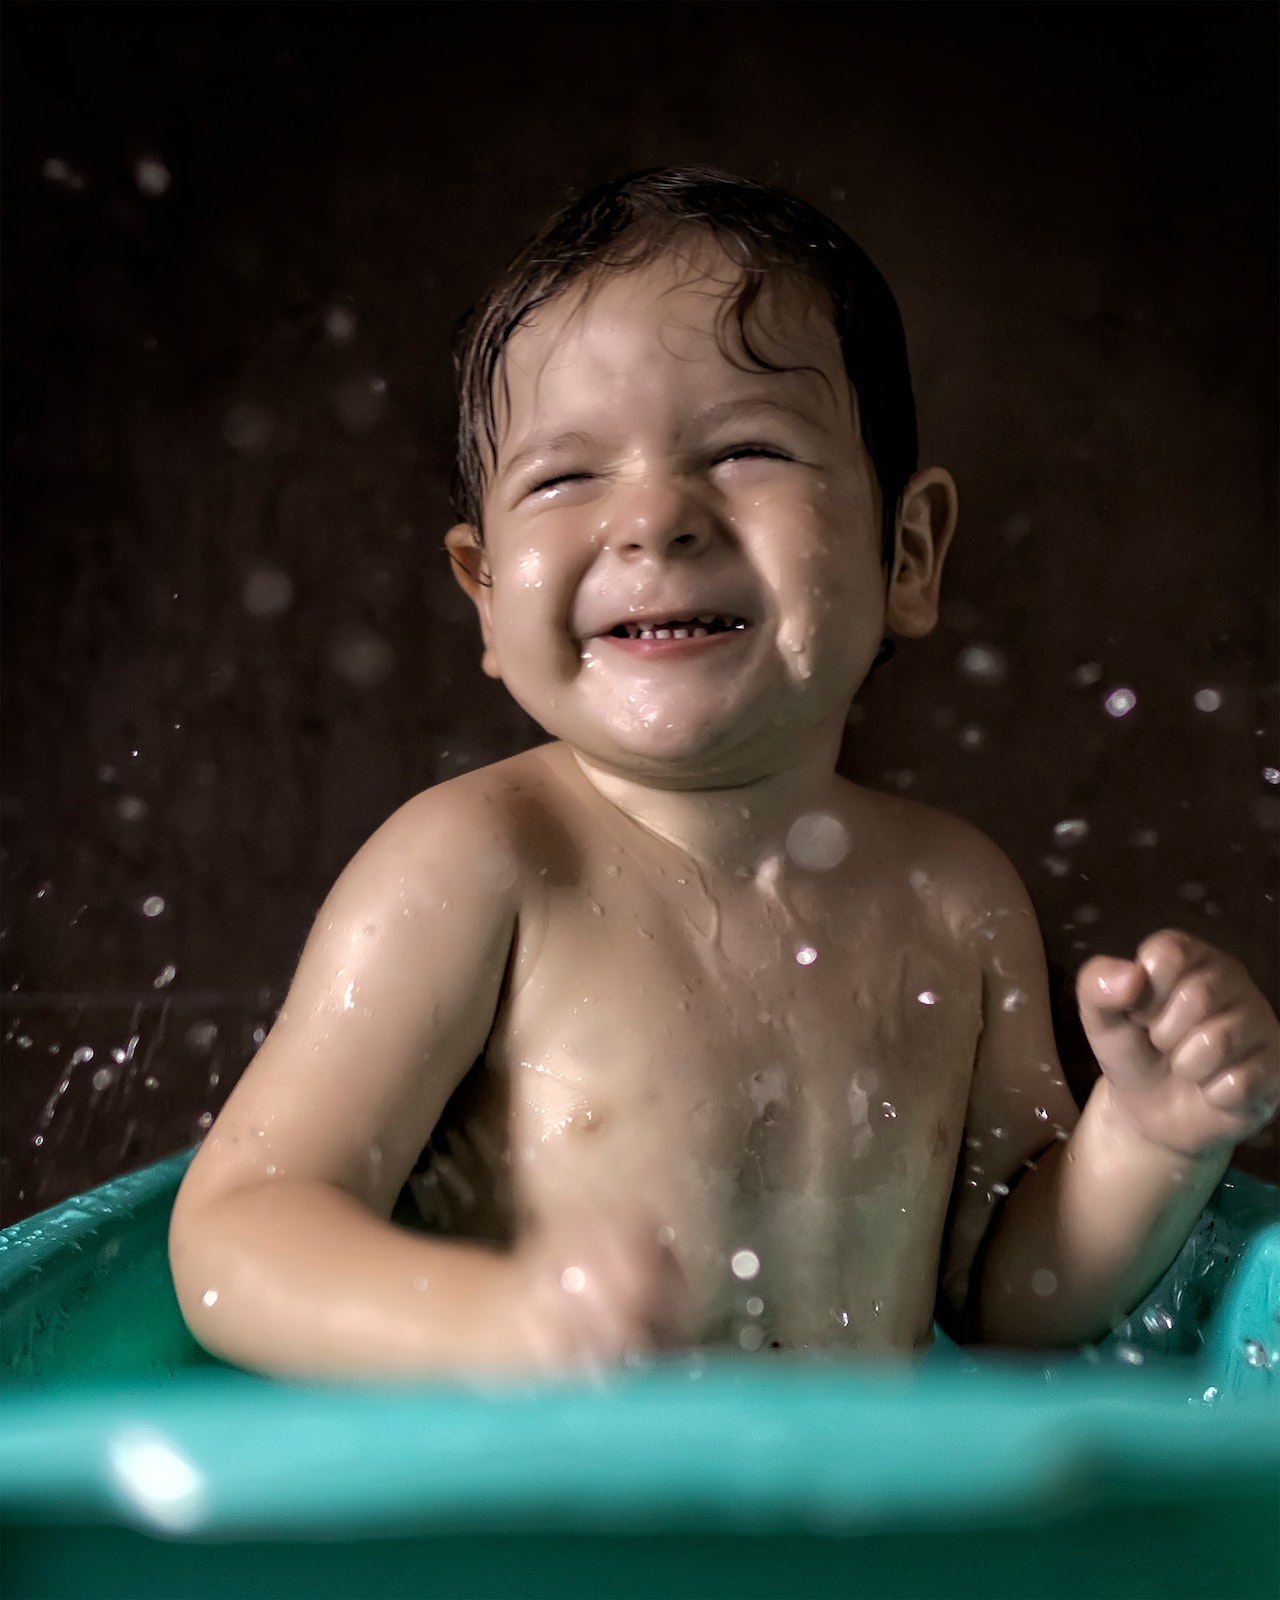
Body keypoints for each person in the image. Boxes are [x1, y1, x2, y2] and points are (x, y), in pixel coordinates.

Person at [169, 167, 1279, 1378]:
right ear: (485, 592)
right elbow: (238, 1235)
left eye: (748, 448)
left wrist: (1151, 1141)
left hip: (852, 1544)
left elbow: (1006, 1297)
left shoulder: (955, 895)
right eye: (564, 476)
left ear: (905, 552)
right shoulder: (476, 866)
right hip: (556, 1543)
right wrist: (498, 1320)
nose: (656, 519)